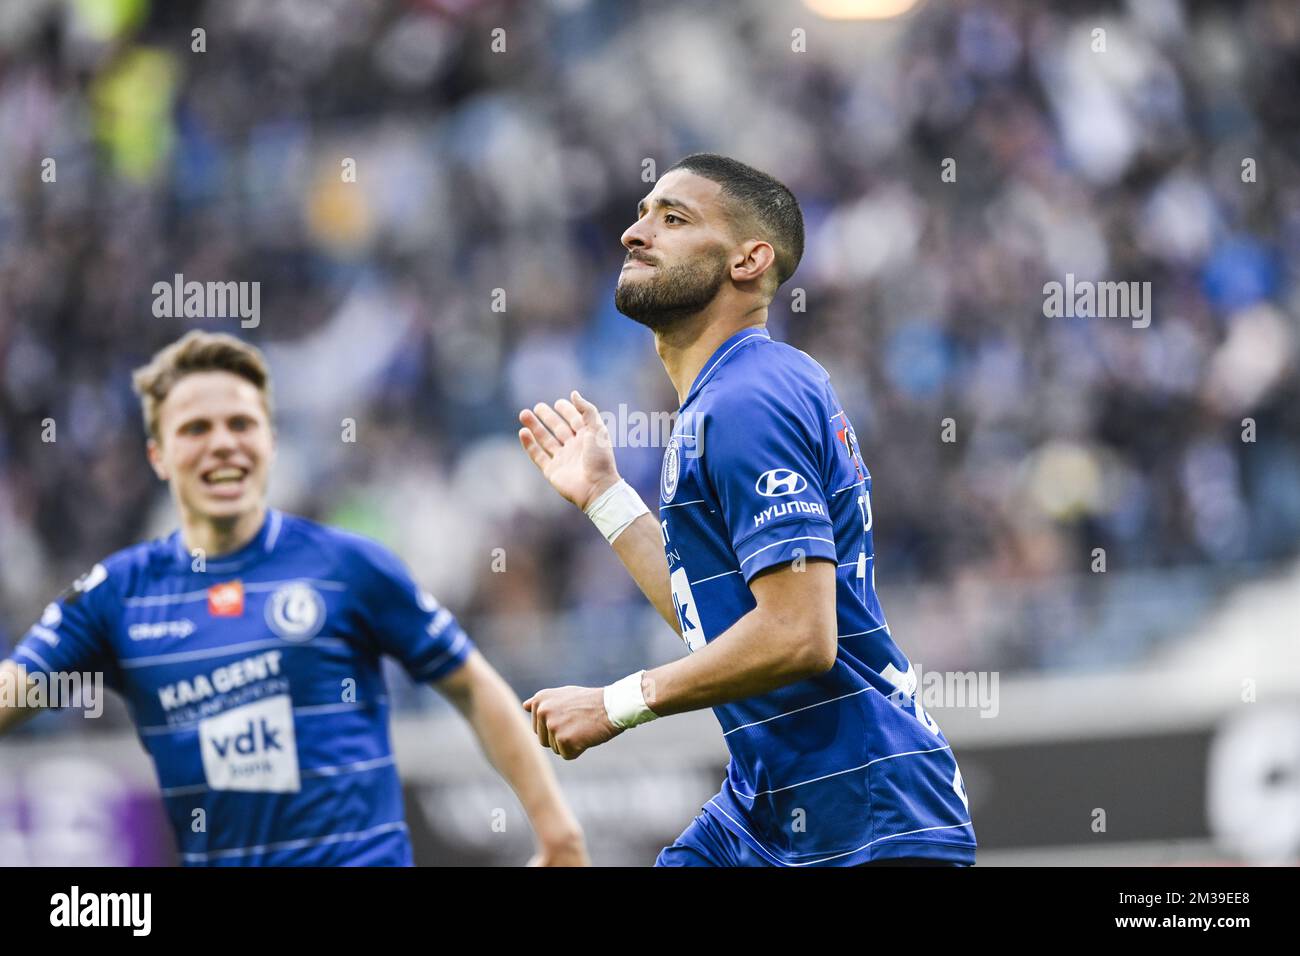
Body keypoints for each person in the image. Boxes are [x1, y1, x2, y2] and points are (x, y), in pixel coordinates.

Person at [518, 153, 976, 866]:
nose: (634, 234)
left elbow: (799, 635)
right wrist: (607, 500)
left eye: (673, 218)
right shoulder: (726, 400)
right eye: (642, 214)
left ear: (749, 260)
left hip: (866, 821)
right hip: (770, 809)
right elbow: (727, 625)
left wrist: (616, 703)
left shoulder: (749, 398)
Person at [0, 330, 588, 866]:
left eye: (240, 424)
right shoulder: (117, 594)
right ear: (157, 454)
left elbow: (473, 685)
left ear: (271, 440)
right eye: (195, 429)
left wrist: (557, 831)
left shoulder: (348, 566)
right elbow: (15, 691)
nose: (222, 444)